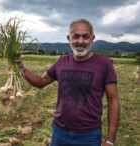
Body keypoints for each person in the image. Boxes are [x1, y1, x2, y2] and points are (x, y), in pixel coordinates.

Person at [17, 18, 120, 146]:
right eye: (76, 37)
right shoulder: (61, 61)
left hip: (89, 135)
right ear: (68, 38)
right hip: (59, 132)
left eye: (85, 37)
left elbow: (113, 100)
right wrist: (22, 69)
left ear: (92, 38)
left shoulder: (105, 64)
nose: (80, 41)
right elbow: (41, 81)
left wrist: (110, 140)